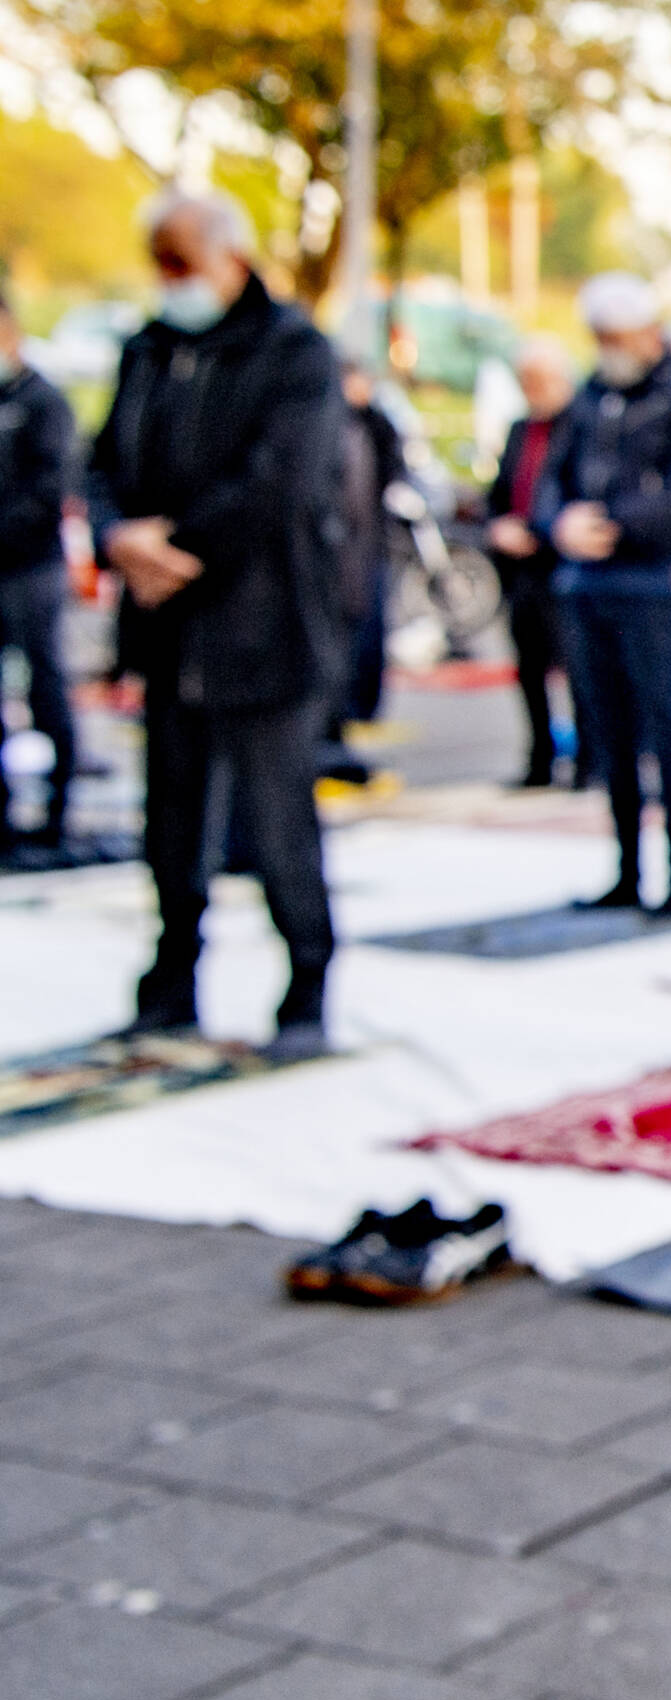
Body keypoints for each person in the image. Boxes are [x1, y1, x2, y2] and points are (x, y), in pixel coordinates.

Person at [87, 192, 347, 1056]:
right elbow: (102, 465)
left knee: (276, 820)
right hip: (166, 627)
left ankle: (306, 982)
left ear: (228, 257)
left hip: (261, 621)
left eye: (179, 262)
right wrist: (119, 538)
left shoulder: (295, 350)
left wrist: (182, 546)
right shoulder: (149, 349)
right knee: (171, 820)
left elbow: (282, 479)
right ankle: (171, 983)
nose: (169, 281)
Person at [538, 273, 671, 915]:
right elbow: (552, 480)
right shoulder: (592, 394)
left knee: (667, 729)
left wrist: (613, 523)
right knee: (609, 731)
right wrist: (560, 524)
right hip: (589, 583)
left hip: (658, 582)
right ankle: (627, 870)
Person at [0, 284, 78, 851]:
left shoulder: (43, 402)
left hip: (33, 567)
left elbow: (52, 487)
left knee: (46, 683)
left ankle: (59, 806)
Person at [487, 341, 577, 789]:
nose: (532, 391)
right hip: (520, 569)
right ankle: (539, 758)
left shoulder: (578, 426)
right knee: (530, 668)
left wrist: (541, 533)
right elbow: (502, 489)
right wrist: (498, 526)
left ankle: (589, 763)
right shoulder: (521, 429)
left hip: (559, 563)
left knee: (576, 668)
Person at [324, 364, 407, 786]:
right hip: (332, 559)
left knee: (365, 639)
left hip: (365, 549)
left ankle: (353, 716)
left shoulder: (372, 424)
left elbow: (394, 465)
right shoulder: (325, 422)